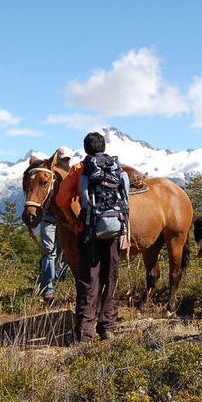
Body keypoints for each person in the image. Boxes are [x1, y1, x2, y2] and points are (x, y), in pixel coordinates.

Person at [56, 132, 129, 342]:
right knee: (111, 275)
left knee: (88, 278)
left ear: (86, 149)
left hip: (89, 230)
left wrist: (73, 221)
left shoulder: (80, 168)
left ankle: (84, 332)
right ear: (103, 147)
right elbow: (125, 197)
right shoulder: (115, 166)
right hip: (114, 228)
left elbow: (62, 199)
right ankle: (108, 326)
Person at [36, 146, 74, 304]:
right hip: (50, 219)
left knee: (61, 252)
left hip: (62, 220)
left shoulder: (70, 174)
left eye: (67, 159)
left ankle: (54, 281)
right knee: (50, 253)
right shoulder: (49, 174)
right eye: (63, 158)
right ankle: (48, 289)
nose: (65, 161)